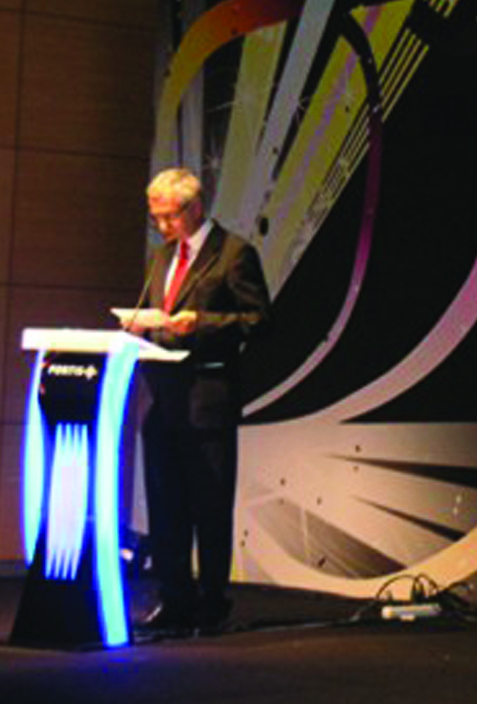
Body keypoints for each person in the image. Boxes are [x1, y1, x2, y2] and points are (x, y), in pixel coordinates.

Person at [125, 167, 270, 632]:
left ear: (195, 208)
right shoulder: (162, 256)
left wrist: (200, 323)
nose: (162, 226)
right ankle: (174, 598)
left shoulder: (234, 254)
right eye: (156, 218)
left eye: (169, 217)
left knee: (208, 506)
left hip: (207, 400)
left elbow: (258, 319)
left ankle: (211, 601)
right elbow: (156, 309)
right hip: (161, 398)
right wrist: (138, 325)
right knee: (166, 504)